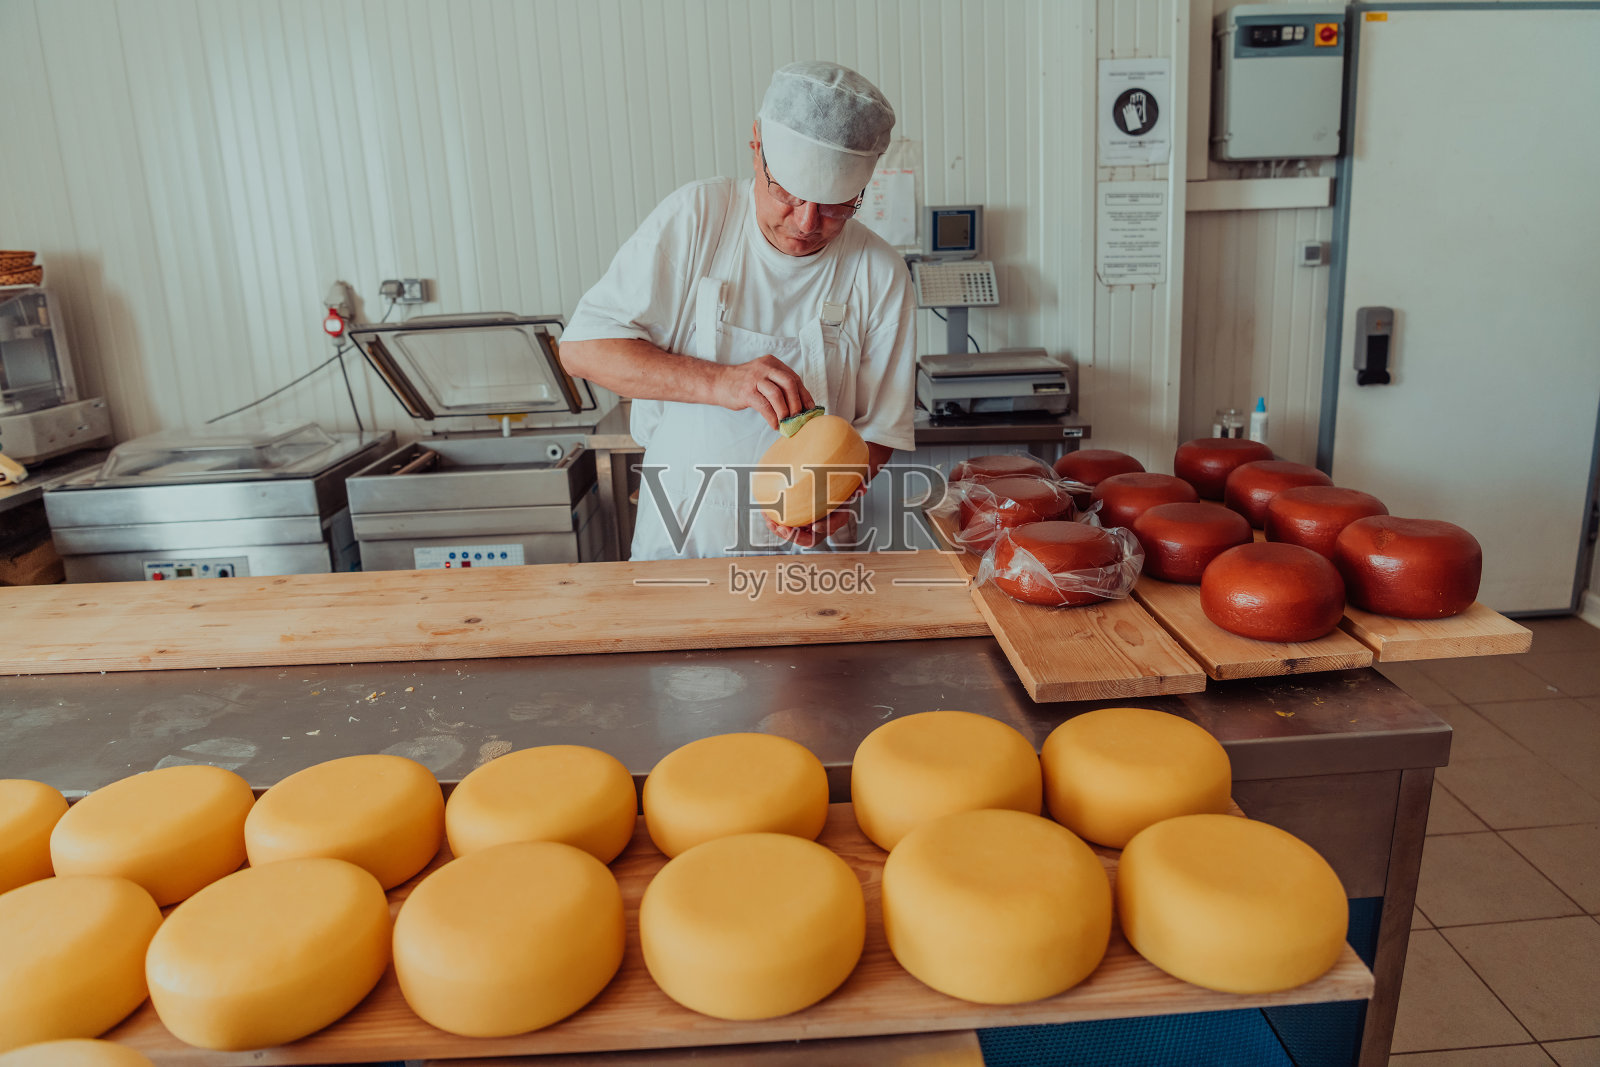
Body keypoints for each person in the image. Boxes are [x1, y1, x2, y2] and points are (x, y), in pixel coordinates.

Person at [558, 61, 918, 561]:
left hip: (811, 562)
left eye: (835, 205)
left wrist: (839, 497)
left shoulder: (879, 271)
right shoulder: (699, 218)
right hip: (682, 546)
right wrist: (721, 382)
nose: (806, 222)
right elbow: (583, 350)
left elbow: (879, 431)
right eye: (787, 192)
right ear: (756, 146)